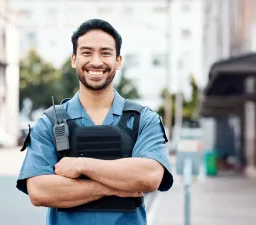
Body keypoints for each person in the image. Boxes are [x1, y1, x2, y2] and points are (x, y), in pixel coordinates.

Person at [16, 18, 173, 225]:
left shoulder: (143, 120)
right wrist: (115, 186)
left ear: (118, 60)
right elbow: (39, 191)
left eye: (106, 53)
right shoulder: (50, 123)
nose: (96, 62)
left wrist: (80, 165)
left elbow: (150, 176)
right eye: (87, 52)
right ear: (74, 59)